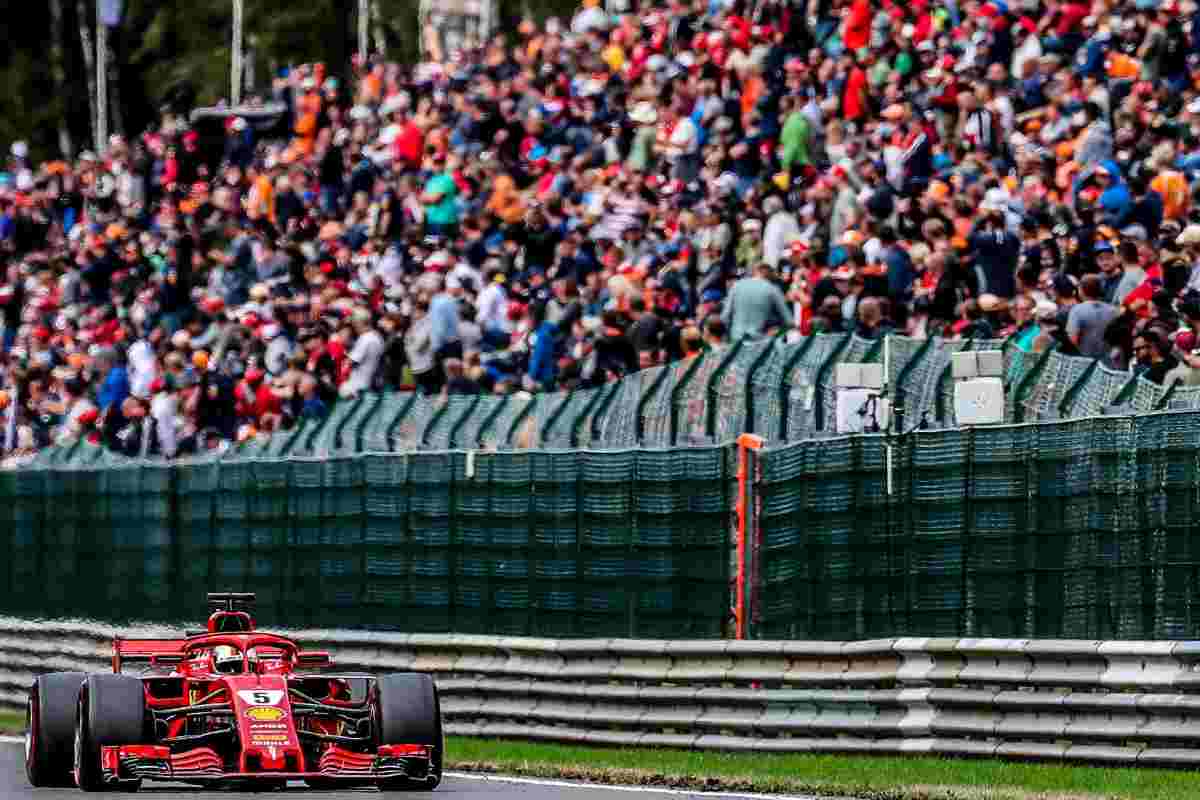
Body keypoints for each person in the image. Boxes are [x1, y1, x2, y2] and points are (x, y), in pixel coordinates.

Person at [722, 263, 792, 340]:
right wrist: (777, 330)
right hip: (759, 342)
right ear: (770, 276)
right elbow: (789, 322)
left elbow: (725, 317)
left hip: (736, 339)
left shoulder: (736, 286)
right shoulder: (772, 289)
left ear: (754, 273)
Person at [1066, 275, 1121, 360]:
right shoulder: (1114, 310)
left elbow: (1072, 339)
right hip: (1108, 360)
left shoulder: (1077, 310)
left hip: (1084, 360)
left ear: (1081, 290)